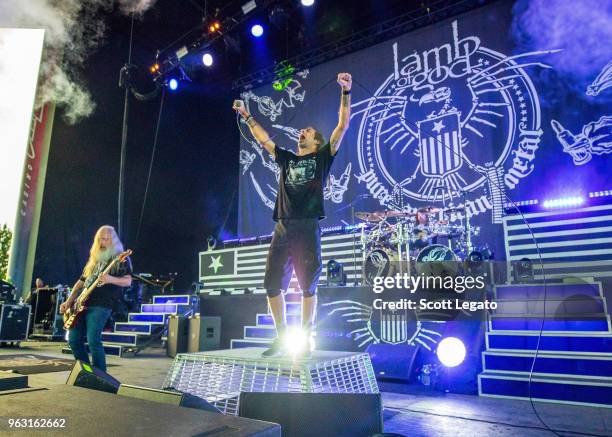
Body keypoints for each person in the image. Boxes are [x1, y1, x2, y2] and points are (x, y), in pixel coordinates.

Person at [234, 72, 352, 357]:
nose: (303, 132)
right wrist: (247, 116)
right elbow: (264, 140)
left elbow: (343, 125)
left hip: (308, 228)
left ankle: (306, 339)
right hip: (283, 228)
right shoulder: (286, 159)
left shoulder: (322, 157)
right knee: (272, 285)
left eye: (308, 132)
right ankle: (280, 336)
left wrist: (345, 92)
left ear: (316, 142)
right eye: (302, 131)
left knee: (308, 286)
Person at [60, 225, 132, 371]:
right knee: (73, 340)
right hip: (81, 303)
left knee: (93, 340)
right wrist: (69, 301)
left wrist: (110, 279)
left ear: (113, 241)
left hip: (101, 304)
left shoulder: (119, 259)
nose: (103, 242)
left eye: (106, 239)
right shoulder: (94, 259)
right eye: (100, 239)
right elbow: (80, 282)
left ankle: (100, 374)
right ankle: (86, 371)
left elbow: (128, 281)